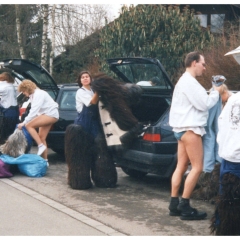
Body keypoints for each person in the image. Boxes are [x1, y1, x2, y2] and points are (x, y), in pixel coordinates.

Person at [168, 51, 220, 220]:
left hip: (180, 130)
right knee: (197, 167)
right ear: (194, 63)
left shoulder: (183, 81)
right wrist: (216, 91)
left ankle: (174, 204)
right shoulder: (190, 82)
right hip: (191, 130)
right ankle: (185, 206)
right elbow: (204, 104)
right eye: (203, 64)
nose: (205, 68)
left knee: (181, 167)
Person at [17, 80, 59, 161]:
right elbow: (36, 112)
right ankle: (45, 161)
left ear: (27, 89)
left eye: (23, 91)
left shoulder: (39, 94)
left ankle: (40, 146)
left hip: (50, 114)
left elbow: (34, 110)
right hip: (47, 114)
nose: (23, 93)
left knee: (28, 125)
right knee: (41, 138)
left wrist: (24, 122)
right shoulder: (33, 95)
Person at [74, 70, 101, 139]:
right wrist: (99, 89)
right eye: (83, 77)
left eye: (87, 77)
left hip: (94, 119)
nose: (85, 78)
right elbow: (93, 102)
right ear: (80, 81)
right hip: (84, 121)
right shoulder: (80, 92)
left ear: (91, 79)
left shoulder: (92, 90)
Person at [0, 72, 19, 144]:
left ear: (3, 78)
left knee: (5, 133)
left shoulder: (4, 86)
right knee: (11, 132)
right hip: (15, 111)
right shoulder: (12, 86)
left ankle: (4, 149)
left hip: (8, 112)